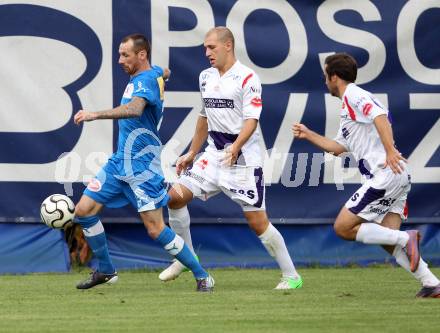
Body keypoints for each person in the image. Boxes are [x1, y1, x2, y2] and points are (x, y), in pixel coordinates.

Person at [158, 26, 302, 290]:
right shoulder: (205, 77)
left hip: (244, 160)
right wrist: (192, 151)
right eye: (205, 48)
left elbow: (251, 121)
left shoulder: (248, 78)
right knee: (174, 198)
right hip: (214, 155)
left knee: (258, 223)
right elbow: (204, 116)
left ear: (228, 46)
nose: (207, 52)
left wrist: (235, 147)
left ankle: (291, 276)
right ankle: (184, 256)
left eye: (211, 47)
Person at [73, 33, 214, 292]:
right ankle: (105, 270)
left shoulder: (146, 79)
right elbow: (166, 71)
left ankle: (202, 274)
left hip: (142, 169)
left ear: (142, 55)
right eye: (119, 54)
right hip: (119, 164)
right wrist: (164, 75)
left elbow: (135, 109)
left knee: (155, 229)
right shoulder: (153, 74)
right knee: (83, 211)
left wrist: (95, 114)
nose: (119, 60)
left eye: (125, 55)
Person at [292, 52, 440, 298]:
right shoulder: (348, 107)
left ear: (334, 77)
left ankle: (407, 237)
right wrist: (308, 134)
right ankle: (432, 283)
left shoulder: (354, 94)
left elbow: (379, 116)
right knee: (387, 239)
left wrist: (390, 150)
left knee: (343, 227)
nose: (324, 80)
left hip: (385, 174)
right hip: (397, 175)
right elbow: (338, 148)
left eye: (325, 75)